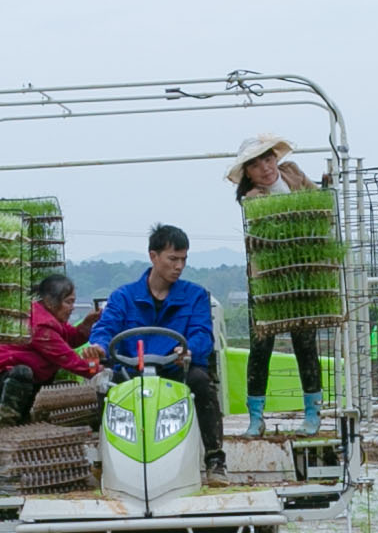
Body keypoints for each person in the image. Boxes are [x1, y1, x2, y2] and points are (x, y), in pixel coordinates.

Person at [88, 223, 229, 471]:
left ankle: (215, 458)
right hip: (130, 371)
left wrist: (187, 352)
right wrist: (98, 346)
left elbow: (202, 333)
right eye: (173, 259)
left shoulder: (195, 295)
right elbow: (105, 328)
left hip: (176, 369)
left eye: (183, 259)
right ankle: (107, 459)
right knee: (104, 382)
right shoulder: (124, 296)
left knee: (201, 381)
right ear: (153, 256)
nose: (179, 267)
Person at [226, 133, 334, 439]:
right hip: (269, 281)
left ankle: (313, 413)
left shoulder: (294, 173)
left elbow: (320, 208)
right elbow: (282, 223)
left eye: (268, 158)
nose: (265, 167)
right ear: (247, 173)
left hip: (304, 274)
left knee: (305, 345)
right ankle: (255, 418)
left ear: (277, 158)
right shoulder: (253, 198)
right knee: (261, 347)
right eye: (256, 164)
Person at [0, 272, 99, 427]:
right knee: (23, 372)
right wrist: (97, 368)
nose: (72, 308)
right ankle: (7, 424)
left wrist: (87, 324)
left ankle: (21, 420)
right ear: (51, 302)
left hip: (8, 387)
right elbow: (70, 360)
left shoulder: (49, 319)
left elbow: (71, 338)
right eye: (68, 302)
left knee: (33, 375)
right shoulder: (41, 326)